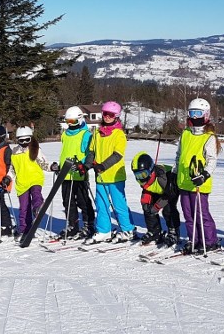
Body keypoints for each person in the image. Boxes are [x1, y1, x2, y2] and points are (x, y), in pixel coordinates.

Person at [173, 98, 221, 254]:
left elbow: (212, 160)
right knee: (188, 214)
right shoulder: (186, 133)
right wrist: (175, 172)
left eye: (198, 113)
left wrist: (205, 174)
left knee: (201, 213)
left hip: (199, 181)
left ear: (206, 115)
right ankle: (194, 240)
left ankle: (209, 241)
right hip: (184, 181)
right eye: (191, 113)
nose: (194, 117)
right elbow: (179, 155)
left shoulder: (209, 137)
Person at [83, 101, 135, 244]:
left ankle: (128, 229)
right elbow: (92, 151)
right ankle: (104, 230)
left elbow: (117, 155)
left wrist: (103, 166)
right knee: (101, 205)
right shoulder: (97, 133)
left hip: (115, 176)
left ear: (116, 116)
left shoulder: (119, 134)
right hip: (100, 176)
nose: (107, 117)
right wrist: (87, 165)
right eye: (105, 114)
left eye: (110, 115)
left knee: (119, 205)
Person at [53, 106, 95, 240]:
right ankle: (73, 225)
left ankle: (89, 225)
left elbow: (90, 154)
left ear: (80, 119)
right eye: (67, 121)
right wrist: (58, 166)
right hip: (65, 173)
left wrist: (83, 166)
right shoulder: (65, 134)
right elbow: (65, 152)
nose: (70, 124)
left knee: (83, 201)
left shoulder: (86, 135)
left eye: (72, 121)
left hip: (79, 174)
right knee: (67, 201)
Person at [131, 152, 181, 246]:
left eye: (143, 174)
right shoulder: (143, 179)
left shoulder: (162, 177)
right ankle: (154, 232)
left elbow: (169, 195)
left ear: (150, 170)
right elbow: (147, 189)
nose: (141, 178)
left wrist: (157, 206)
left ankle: (174, 232)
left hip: (171, 189)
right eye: (138, 175)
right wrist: (146, 204)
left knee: (168, 209)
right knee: (147, 207)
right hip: (158, 190)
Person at [10, 126, 49, 239]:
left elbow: (43, 163)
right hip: (22, 183)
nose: (24, 143)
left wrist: (52, 167)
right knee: (23, 208)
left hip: (35, 179)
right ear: (17, 140)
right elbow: (13, 169)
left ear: (31, 138)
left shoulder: (35, 149)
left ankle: (38, 208)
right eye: (21, 140)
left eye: (27, 140)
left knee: (36, 194)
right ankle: (24, 229)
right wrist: (8, 178)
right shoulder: (15, 152)